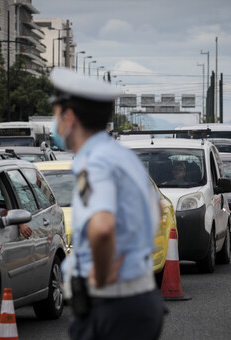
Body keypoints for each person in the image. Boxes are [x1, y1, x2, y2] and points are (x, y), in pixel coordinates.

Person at [50, 67, 164, 340]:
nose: (53, 123)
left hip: (111, 307)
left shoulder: (95, 161)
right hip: (139, 299)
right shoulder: (122, 156)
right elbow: (156, 209)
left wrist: (101, 277)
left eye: (55, 113)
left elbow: (102, 228)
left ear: (70, 117)